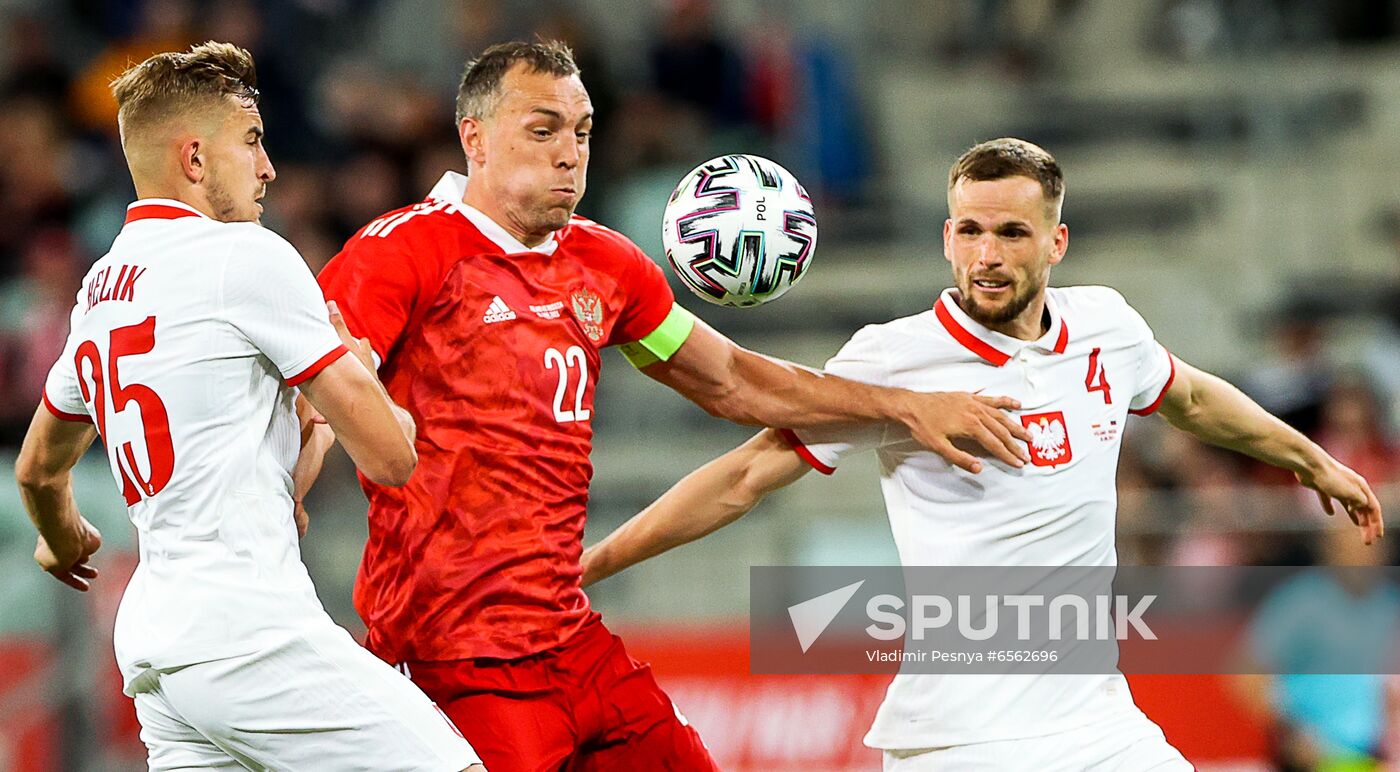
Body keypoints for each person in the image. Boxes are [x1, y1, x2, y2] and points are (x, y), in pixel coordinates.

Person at [314, 40, 1031, 771]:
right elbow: (317, 396)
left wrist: (905, 407)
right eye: (544, 129)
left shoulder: (605, 263)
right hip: (455, 659)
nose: (570, 153)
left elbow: (732, 379)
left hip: (572, 641)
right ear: (475, 137)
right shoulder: (400, 251)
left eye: (583, 131)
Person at [580, 138, 1386, 770]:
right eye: (969, 231)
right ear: (946, 236)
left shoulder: (1106, 324)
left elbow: (1192, 397)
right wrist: (598, 560)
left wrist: (1310, 459)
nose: (987, 254)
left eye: (1010, 232)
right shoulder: (894, 360)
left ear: (1056, 241)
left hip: (1097, 726)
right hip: (960, 740)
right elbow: (749, 472)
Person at [13, 42, 483, 771]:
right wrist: (365, 375)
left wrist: (64, 534)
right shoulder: (246, 256)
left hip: (160, 651)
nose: (268, 168)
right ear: (195, 159)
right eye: (253, 142)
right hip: (249, 632)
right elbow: (392, 460)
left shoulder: (100, 289)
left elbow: (39, 470)